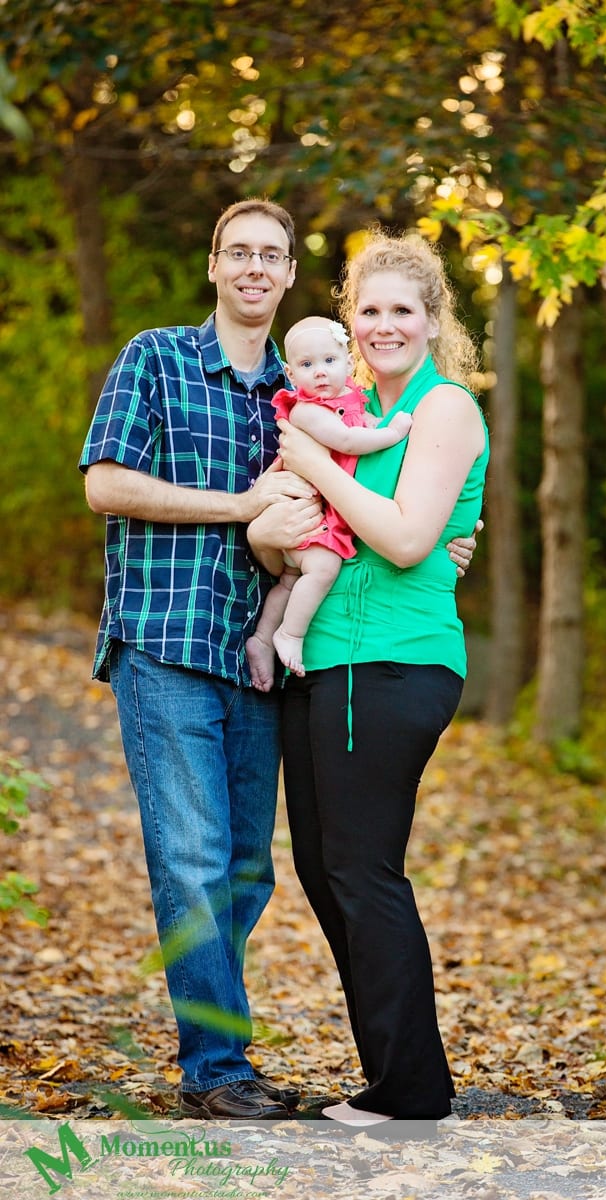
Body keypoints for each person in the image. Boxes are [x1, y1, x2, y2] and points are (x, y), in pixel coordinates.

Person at [79, 199, 479, 1123]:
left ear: (292, 274)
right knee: (194, 859)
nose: (255, 267)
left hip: (265, 659)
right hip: (172, 639)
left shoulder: (316, 388)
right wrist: (243, 507)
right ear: (214, 264)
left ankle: (248, 1040)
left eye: (273, 254)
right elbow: (104, 484)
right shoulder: (161, 358)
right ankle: (216, 1068)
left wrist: (456, 536)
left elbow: (387, 512)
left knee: (252, 871)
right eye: (239, 252)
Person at [252, 230, 490, 1126]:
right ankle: (393, 1075)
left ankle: (412, 1092)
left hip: (392, 663)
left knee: (362, 868)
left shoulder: (443, 408)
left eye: (403, 310)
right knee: (325, 868)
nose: (385, 324)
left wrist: (312, 465)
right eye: (370, 310)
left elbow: (401, 539)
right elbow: (296, 531)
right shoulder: (348, 412)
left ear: (433, 321)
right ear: (351, 322)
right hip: (326, 661)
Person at [246, 316, 413, 690]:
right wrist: (392, 432)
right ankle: (290, 634)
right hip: (299, 512)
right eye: (307, 365)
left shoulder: (351, 399)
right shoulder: (306, 411)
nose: (320, 373)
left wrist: (372, 421)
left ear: (348, 361)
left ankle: (260, 638)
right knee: (323, 568)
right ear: (290, 373)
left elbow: (359, 424)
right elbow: (348, 442)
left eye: (329, 361)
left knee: (290, 581)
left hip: (318, 514)